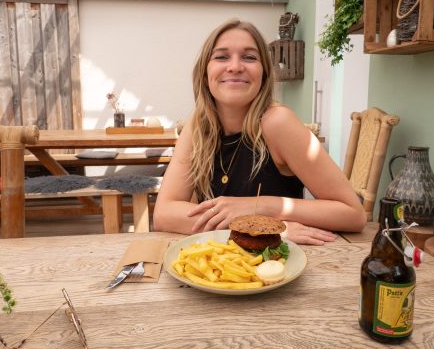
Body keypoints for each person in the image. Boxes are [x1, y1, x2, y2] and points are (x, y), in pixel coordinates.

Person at [153, 19, 365, 245]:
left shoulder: (277, 122)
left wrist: (257, 207)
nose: (235, 66)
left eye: (249, 57)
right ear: (205, 75)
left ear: (264, 75)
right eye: (222, 56)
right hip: (222, 267)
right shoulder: (198, 125)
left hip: (279, 267)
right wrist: (260, 227)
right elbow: (164, 214)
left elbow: (353, 214)